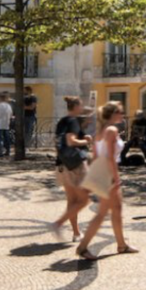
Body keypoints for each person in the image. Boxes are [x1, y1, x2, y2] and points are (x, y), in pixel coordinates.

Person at [75, 102, 138, 261]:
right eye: (120, 112)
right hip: (108, 173)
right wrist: (115, 177)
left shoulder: (99, 132)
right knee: (102, 213)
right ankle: (83, 247)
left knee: (116, 209)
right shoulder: (111, 130)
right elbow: (110, 157)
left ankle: (121, 244)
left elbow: (96, 156)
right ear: (113, 114)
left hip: (102, 172)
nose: (123, 114)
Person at [50, 96, 92, 242]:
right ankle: (58, 224)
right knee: (85, 199)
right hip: (75, 165)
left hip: (62, 164)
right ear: (76, 107)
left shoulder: (62, 121)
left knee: (72, 200)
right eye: (81, 106)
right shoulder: (73, 121)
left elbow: (59, 141)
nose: (82, 108)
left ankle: (76, 233)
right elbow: (71, 141)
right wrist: (86, 141)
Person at [0, 92, 14, 157]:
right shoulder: (8, 106)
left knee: (0, 139)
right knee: (6, 139)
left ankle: (0, 152)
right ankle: (8, 152)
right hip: (6, 124)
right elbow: (11, 114)